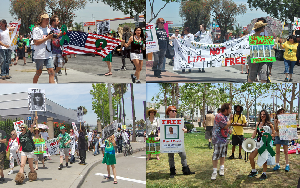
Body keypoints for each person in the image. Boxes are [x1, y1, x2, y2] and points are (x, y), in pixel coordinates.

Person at [166, 106, 195, 178]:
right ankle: (172, 172)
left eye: (175, 111)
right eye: (173, 111)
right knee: (170, 156)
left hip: (179, 142)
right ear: (169, 112)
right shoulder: (165, 122)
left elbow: (185, 129)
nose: (174, 112)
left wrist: (185, 130)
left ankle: (186, 170)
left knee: (183, 155)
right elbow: (162, 131)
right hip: (169, 142)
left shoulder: (179, 121)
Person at [248, 110, 275, 180]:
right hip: (258, 143)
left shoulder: (270, 124)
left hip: (265, 144)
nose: (262, 116)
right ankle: (254, 171)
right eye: (261, 114)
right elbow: (255, 132)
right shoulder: (258, 124)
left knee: (264, 159)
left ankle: (264, 173)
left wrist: (268, 135)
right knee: (251, 157)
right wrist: (251, 138)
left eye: (264, 114)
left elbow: (274, 134)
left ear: (266, 115)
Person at [211, 103, 233, 180]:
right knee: (216, 155)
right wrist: (230, 120)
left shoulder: (224, 117)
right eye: (230, 109)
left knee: (223, 154)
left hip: (224, 139)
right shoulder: (219, 116)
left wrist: (229, 130)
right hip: (218, 139)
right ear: (226, 110)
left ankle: (221, 168)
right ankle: (214, 171)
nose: (231, 111)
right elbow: (225, 125)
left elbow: (225, 127)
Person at [32, 13, 55, 83]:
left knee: (51, 71)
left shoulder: (49, 29)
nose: (48, 21)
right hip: (39, 54)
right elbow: (36, 42)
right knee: (39, 72)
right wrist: (47, 38)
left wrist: (53, 38)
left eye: (48, 19)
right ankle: (34, 86)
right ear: (42, 20)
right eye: (46, 19)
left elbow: (51, 40)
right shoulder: (36, 29)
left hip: (48, 54)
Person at [49, 15, 63, 83]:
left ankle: (55, 74)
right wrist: (59, 35)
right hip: (52, 51)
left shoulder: (59, 30)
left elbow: (61, 39)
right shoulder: (49, 29)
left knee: (61, 63)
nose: (58, 22)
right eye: (57, 21)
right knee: (53, 66)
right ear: (53, 22)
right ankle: (53, 79)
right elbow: (52, 38)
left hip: (59, 50)